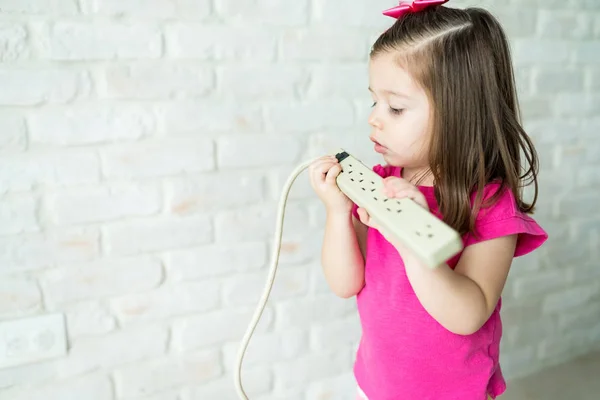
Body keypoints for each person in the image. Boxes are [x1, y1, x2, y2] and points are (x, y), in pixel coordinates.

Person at [307, 1, 549, 399]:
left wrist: (413, 243)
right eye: (374, 101)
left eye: (396, 107)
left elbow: (469, 314)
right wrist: (337, 213)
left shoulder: (489, 204)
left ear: (459, 111)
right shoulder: (379, 183)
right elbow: (345, 282)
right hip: (376, 384)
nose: (374, 117)